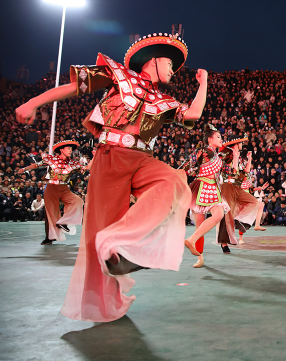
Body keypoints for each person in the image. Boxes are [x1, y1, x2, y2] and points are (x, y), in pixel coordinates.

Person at [16, 32, 207, 322]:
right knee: (98, 230)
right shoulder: (119, 75)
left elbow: (193, 115)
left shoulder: (163, 100)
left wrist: (204, 83)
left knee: (175, 181)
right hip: (110, 157)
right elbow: (72, 87)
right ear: (152, 60)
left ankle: (121, 240)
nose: (173, 69)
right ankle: (105, 298)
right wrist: (33, 102)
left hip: (143, 158)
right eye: (169, 62)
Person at [184, 125, 233, 267]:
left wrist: (235, 156)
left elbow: (232, 173)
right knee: (200, 225)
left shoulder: (219, 157)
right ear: (210, 139)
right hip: (201, 187)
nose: (221, 139)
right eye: (218, 137)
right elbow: (189, 164)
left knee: (218, 214)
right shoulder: (203, 151)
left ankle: (191, 240)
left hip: (214, 188)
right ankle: (200, 258)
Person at [18, 140, 85, 245]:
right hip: (51, 188)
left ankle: (63, 222)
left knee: (78, 201)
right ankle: (49, 237)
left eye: (71, 149)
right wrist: (24, 169)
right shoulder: (51, 159)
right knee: (50, 213)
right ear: (62, 150)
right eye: (68, 148)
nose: (70, 151)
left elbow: (84, 169)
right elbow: (37, 165)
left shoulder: (73, 163)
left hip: (64, 189)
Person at [217, 135, 267, 247]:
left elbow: (245, 173)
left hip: (237, 188)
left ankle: (239, 221)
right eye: (240, 143)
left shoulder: (239, 157)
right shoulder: (225, 156)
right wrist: (235, 157)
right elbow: (233, 173)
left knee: (254, 202)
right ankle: (224, 243)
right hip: (228, 186)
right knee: (228, 214)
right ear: (235, 144)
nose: (242, 145)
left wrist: (249, 160)